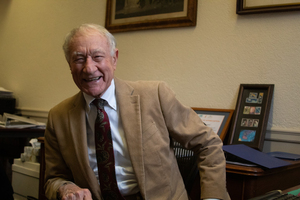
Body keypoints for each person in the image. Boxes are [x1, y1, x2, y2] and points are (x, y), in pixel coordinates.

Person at [44, 23, 230, 200]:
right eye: (79, 59)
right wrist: (65, 187)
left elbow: (208, 144)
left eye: (97, 57)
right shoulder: (58, 117)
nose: (89, 68)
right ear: (69, 64)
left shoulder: (155, 95)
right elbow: (53, 178)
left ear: (114, 59)